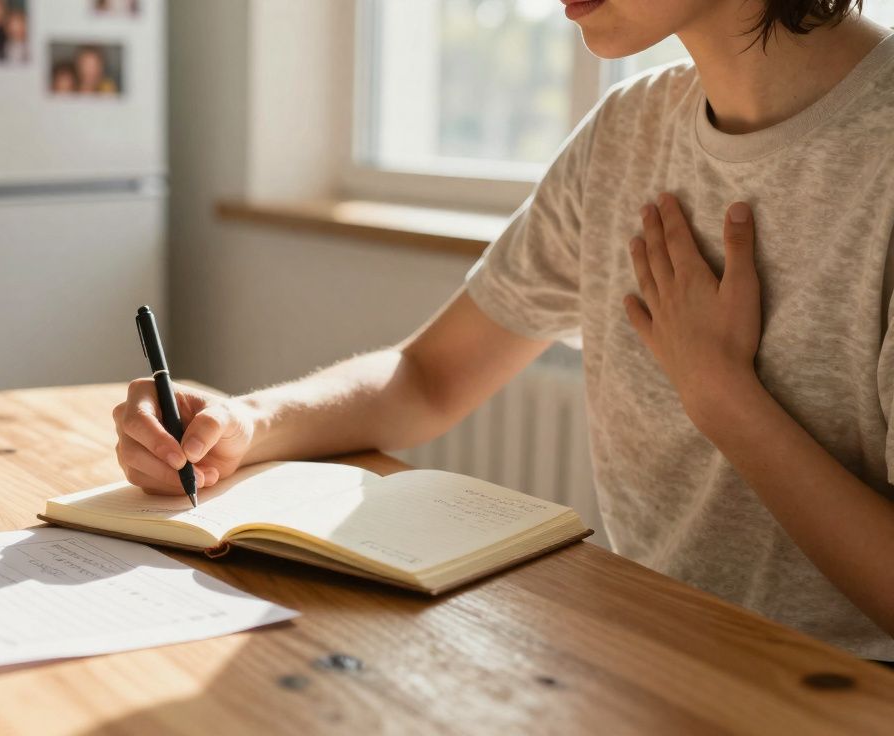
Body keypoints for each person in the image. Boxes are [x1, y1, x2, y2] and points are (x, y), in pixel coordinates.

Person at [112, 0, 894, 662]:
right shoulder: (626, 133)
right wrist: (249, 424)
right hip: (652, 659)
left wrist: (725, 400)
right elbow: (430, 377)